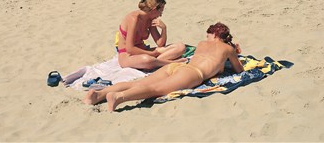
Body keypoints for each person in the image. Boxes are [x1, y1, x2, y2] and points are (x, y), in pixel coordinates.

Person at [85, 22, 243, 112]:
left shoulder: (202, 44)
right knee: (155, 89)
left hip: (177, 67)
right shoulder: (228, 49)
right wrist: (235, 52)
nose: (206, 38)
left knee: (139, 83)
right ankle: (118, 97)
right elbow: (239, 70)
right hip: (193, 73)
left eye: (208, 35)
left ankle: (98, 95)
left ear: (215, 35)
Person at [114, 0, 186, 71]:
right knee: (147, 60)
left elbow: (160, 44)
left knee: (180, 47)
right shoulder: (133, 19)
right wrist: (152, 54)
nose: (160, 15)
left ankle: (157, 62)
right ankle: (168, 62)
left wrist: (164, 29)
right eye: (160, 11)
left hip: (144, 51)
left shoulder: (150, 19)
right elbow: (130, 49)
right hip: (127, 55)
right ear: (154, 9)